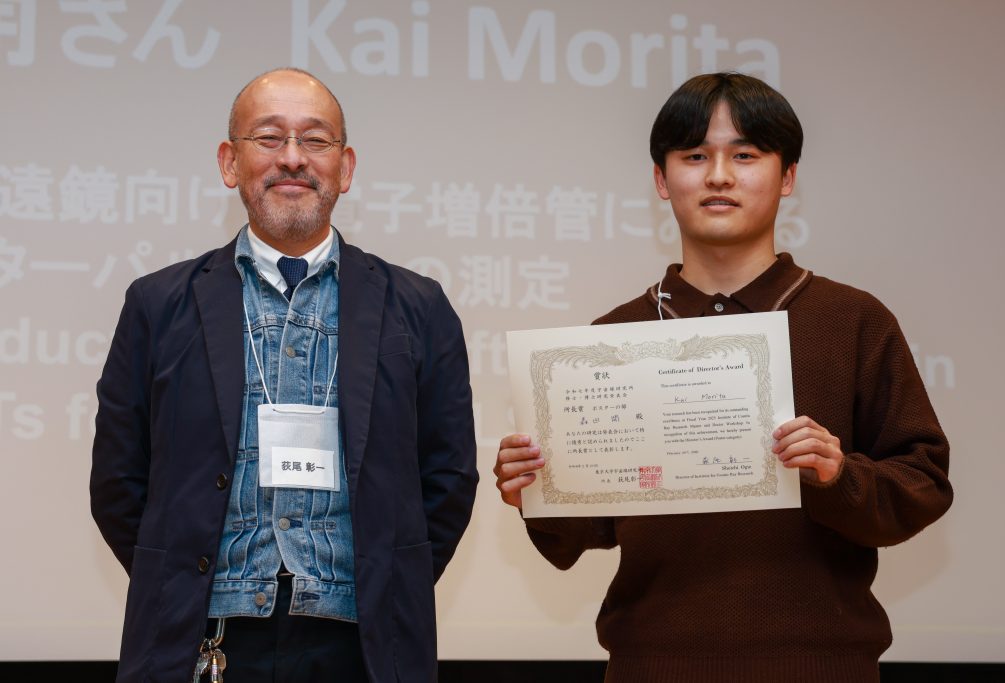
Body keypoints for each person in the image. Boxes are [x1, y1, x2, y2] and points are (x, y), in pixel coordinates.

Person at [493, 72, 952, 682]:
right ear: (662, 180)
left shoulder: (853, 320)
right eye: (694, 156)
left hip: (821, 666)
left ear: (787, 176)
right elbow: (582, 532)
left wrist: (839, 474)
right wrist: (537, 489)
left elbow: (923, 483)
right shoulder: (610, 340)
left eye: (745, 155)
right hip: (653, 666)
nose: (718, 176)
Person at [91, 68, 478, 683]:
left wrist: (388, 578)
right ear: (230, 162)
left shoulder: (419, 306)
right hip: (203, 639)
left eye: (315, 140)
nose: (293, 158)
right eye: (269, 138)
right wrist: (179, 583)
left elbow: (448, 477)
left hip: (365, 647)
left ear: (345, 168)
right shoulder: (157, 304)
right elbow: (118, 481)